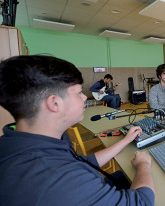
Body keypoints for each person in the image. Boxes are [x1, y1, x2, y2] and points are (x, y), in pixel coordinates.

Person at [0, 55, 155, 206]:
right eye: (78, 92)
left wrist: (125, 141)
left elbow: (83, 162)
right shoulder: (56, 178)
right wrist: (143, 165)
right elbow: (143, 202)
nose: (83, 98)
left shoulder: (29, 143)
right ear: (55, 103)